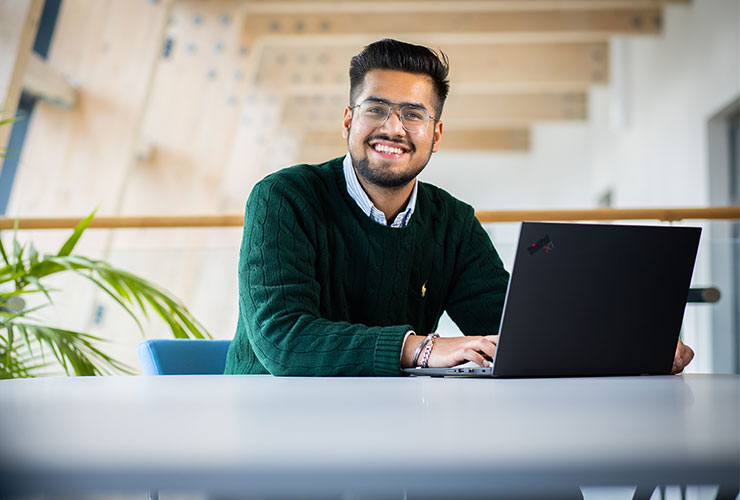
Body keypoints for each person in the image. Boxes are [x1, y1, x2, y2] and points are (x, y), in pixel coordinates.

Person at [224, 39, 694, 376]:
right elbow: (284, 341)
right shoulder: (283, 199)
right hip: (273, 427)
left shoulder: (452, 223)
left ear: (436, 134)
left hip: (389, 427)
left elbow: (513, 325)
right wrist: (423, 349)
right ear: (348, 120)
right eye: (375, 109)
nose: (393, 127)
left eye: (413, 114)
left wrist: (627, 346)